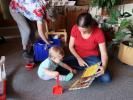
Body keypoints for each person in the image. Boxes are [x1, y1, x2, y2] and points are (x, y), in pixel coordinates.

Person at [64, 12, 111, 83]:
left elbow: (104, 53)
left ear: (90, 26)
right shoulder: (75, 28)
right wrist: (78, 58)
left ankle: (86, 68)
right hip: (77, 56)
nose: (82, 33)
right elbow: (70, 46)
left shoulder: (98, 32)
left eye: (84, 31)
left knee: (106, 78)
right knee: (58, 65)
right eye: (80, 30)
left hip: (91, 58)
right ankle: (86, 68)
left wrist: (104, 67)